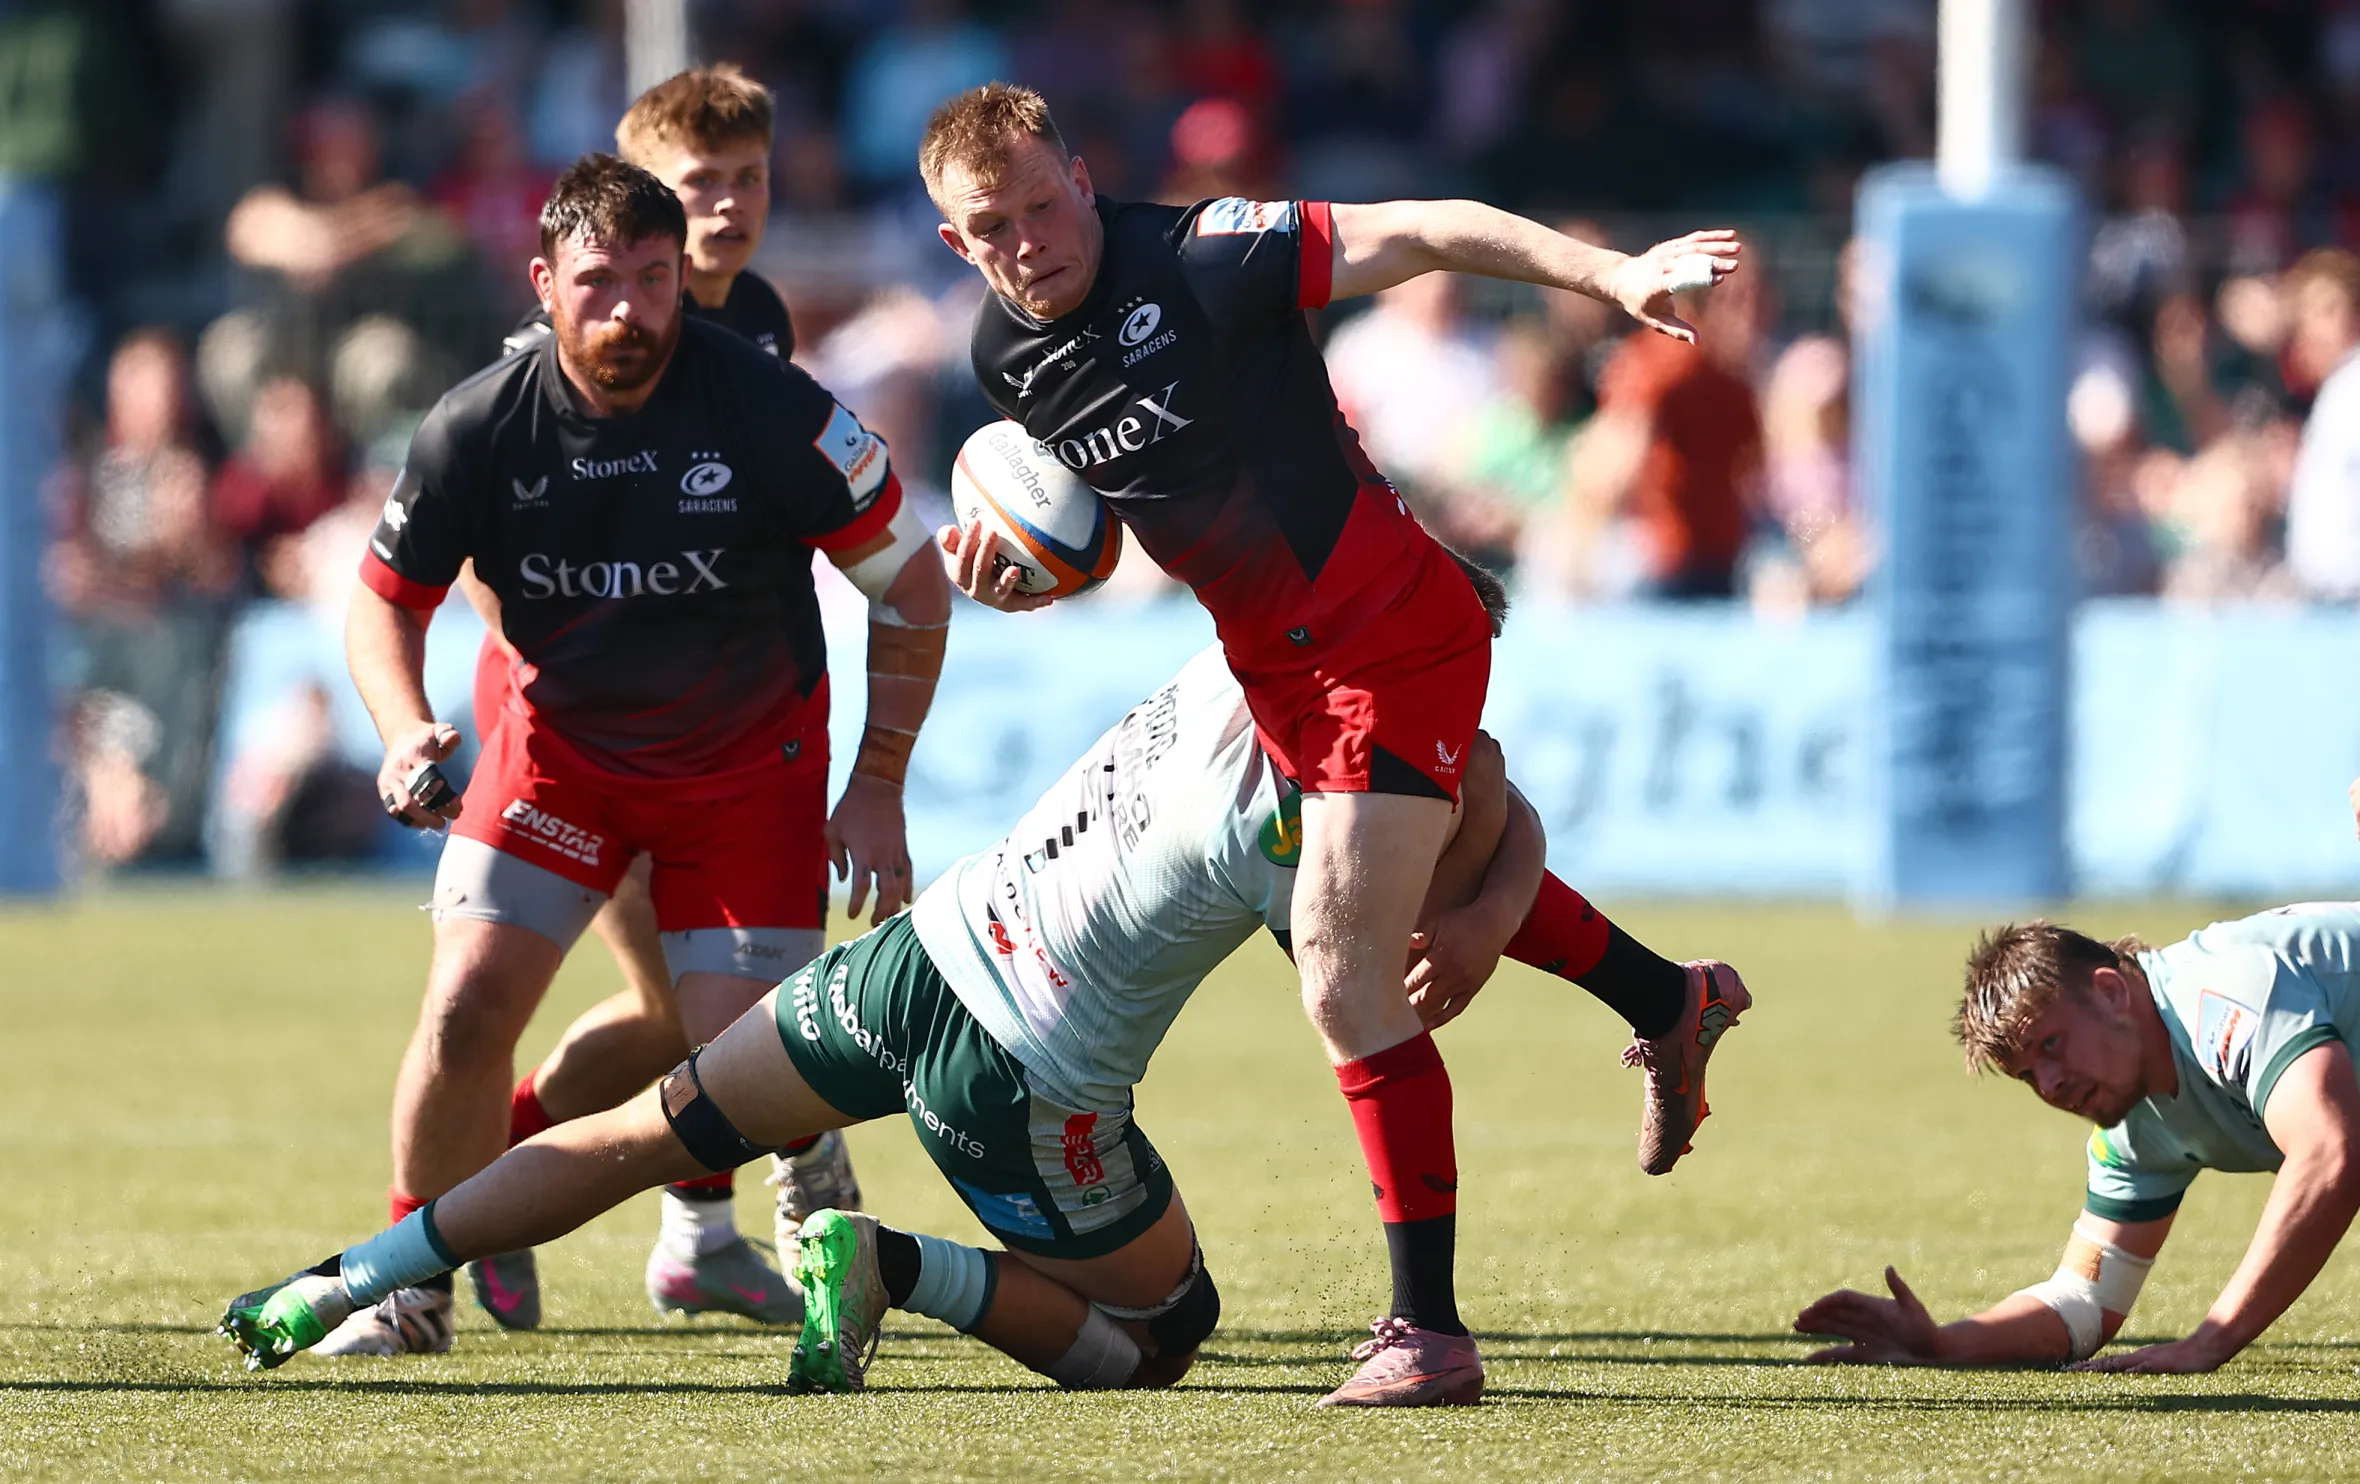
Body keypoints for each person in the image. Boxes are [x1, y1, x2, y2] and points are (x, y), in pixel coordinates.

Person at [224, 617, 1747, 1398]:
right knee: (1168, 1334)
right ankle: (887, 1264)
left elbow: (1476, 801)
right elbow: (1470, 816)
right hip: (1019, 1074)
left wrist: (1495, 899)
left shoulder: (1228, 660)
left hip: (914, 957)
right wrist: (1483, 907)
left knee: (640, 1129)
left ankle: (349, 1275)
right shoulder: (1348, 796)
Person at [918, 81, 1742, 1404]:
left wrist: (1612, 271)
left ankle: (1429, 1335)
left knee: (1342, 972)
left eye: (1038, 202)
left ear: (1080, 178)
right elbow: (1133, 512)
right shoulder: (1005, 366)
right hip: (1278, 674)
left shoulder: (1201, 254)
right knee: (1445, 888)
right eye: (991, 226)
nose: (1028, 239)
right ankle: (1671, 999)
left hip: (1390, 633)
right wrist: (1033, 580)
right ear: (957, 244)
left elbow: (1422, 228)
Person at [328, 153, 948, 1358]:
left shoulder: (768, 406)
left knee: (735, 1070)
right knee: (462, 1006)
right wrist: (403, 727)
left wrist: (876, 785)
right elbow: (381, 600)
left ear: (680, 282)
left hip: (745, 777)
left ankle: (722, 1227)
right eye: (599, 282)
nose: (628, 309)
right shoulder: (477, 424)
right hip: (559, 764)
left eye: (653, 280)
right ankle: (411, 1291)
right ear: (544, 284)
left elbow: (910, 584)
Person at [466, 64, 860, 1335]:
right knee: (679, 1009)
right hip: (587, 720)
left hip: (720, 716)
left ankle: (690, 1230)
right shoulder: (565, 352)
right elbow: (485, 540)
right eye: (700, 184)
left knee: (679, 1010)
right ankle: (527, 1196)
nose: (730, 206)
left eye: (748, 178)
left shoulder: (753, 319)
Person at [1795, 907, 2360, 1373]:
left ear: (2110, 991)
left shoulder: (2216, 996)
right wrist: (1945, 1344)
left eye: (2050, 1045)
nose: (2050, 1084)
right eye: (2026, 1074)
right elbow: (2083, 1303)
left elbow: (2330, 1152)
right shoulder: (2131, 1127)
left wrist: (2209, 1340)